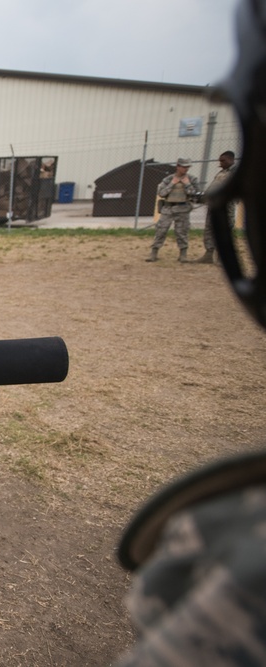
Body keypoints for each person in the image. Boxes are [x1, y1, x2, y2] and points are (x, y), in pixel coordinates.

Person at [116, 1, 266, 663]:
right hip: (171, 216)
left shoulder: (240, 547)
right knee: (165, 233)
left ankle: (185, 253)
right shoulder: (176, 186)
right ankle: (168, 251)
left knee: (179, 237)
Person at [146, 158, 201, 262]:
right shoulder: (168, 179)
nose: (186, 169)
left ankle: (183, 254)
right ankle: (154, 253)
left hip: (183, 208)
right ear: (178, 166)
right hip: (168, 208)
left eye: (187, 167)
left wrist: (187, 184)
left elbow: (196, 195)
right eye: (184, 167)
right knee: (161, 230)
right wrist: (172, 183)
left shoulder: (192, 179)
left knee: (182, 231)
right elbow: (161, 193)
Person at [196, 151, 238, 264]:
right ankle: (208, 254)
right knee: (210, 228)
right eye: (220, 161)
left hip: (225, 206)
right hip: (213, 204)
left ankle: (222, 257)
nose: (220, 163)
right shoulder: (222, 172)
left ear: (231, 159)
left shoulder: (236, 173)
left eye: (223, 161)